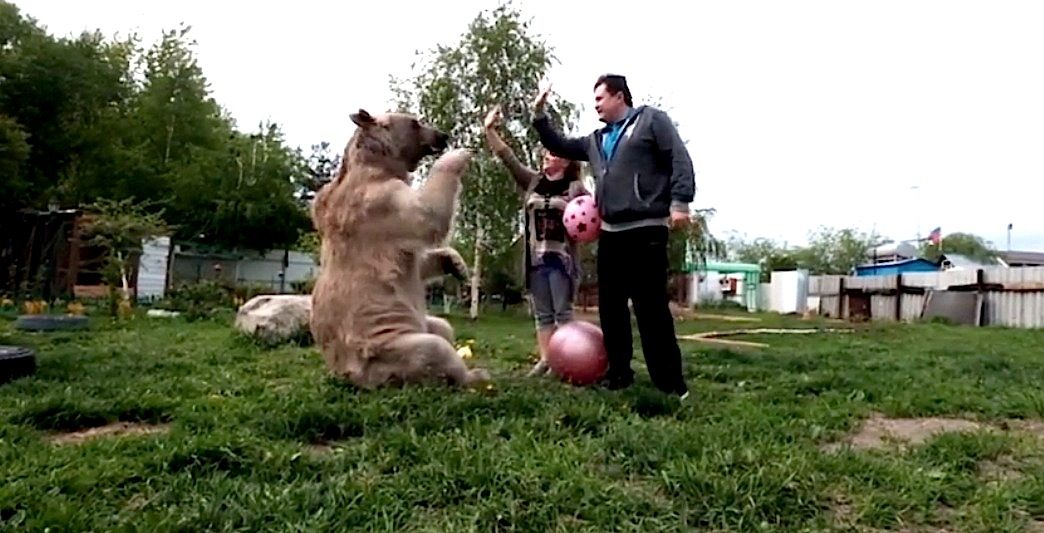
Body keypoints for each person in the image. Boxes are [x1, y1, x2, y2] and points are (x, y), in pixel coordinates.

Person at [529, 74, 695, 399]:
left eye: (600, 100)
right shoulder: (596, 139)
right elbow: (560, 145)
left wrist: (680, 202)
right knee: (611, 308)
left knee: (651, 309)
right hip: (611, 234)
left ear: (620, 97)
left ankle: (670, 383)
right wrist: (539, 114)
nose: (596, 106)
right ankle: (619, 373)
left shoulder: (651, 121)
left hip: (646, 228)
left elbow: (679, 158)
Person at [483, 105, 590, 376]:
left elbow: (589, 219)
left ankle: (565, 361)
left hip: (562, 260)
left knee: (562, 314)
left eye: (552, 153)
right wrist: (489, 130)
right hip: (536, 259)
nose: (546, 155)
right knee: (542, 315)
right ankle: (546, 360)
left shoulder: (576, 189)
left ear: (566, 161)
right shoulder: (533, 182)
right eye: (545, 152)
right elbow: (508, 159)